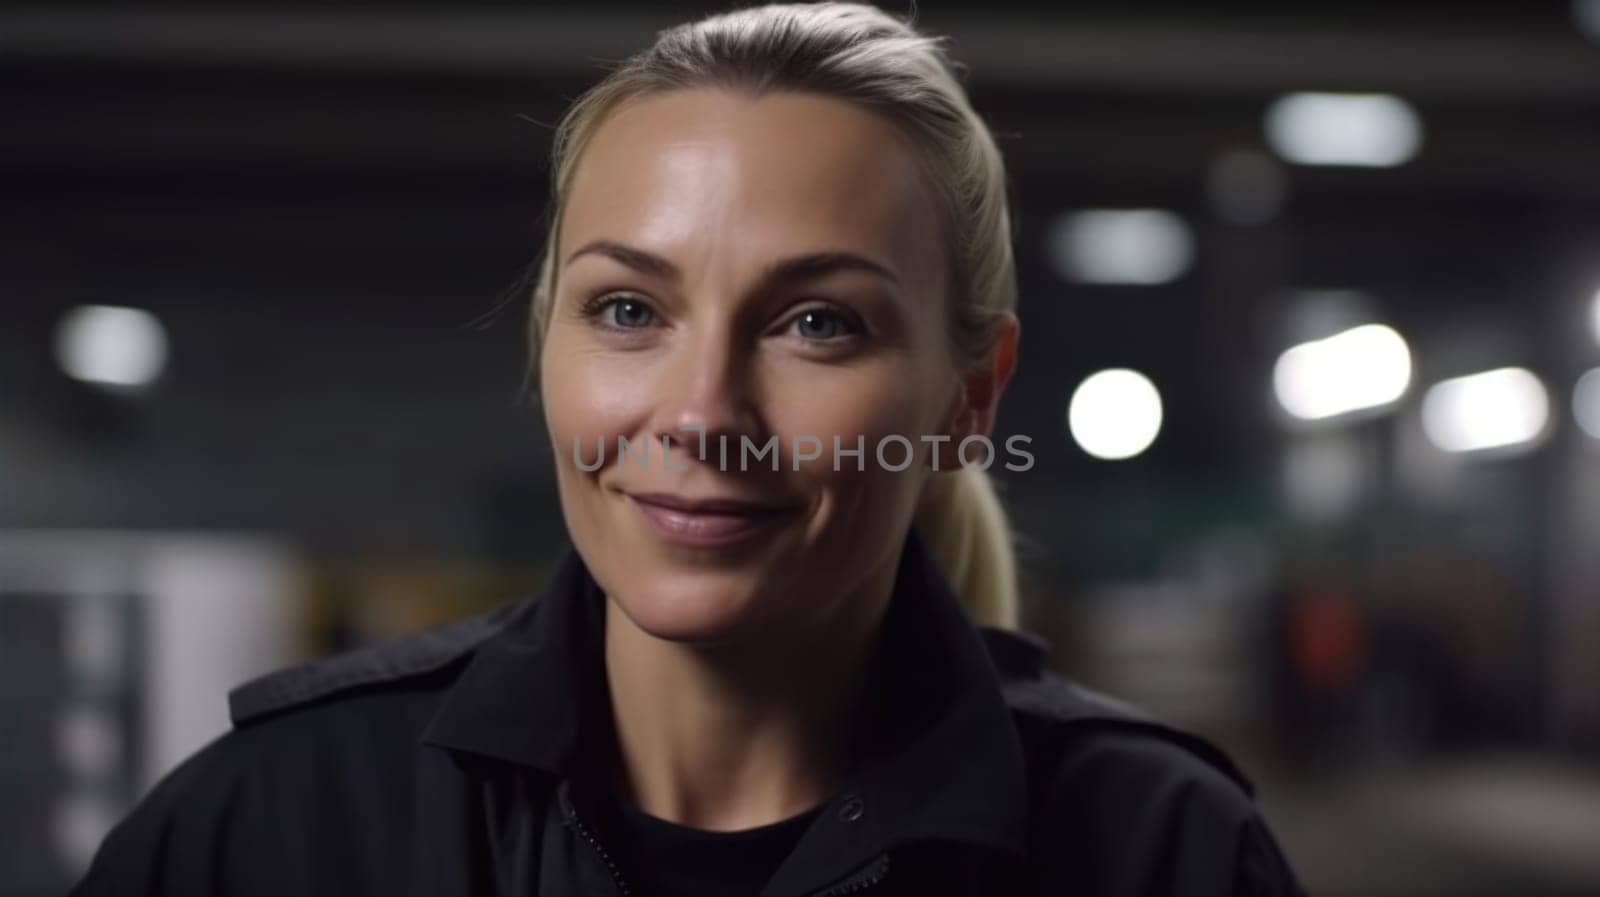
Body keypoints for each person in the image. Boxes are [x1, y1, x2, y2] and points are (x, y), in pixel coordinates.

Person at [70, 3, 1307, 894]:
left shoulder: (1159, 851)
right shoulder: (277, 827)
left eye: (817, 323)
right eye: (627, 311)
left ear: (966, 399)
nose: (702, 409)